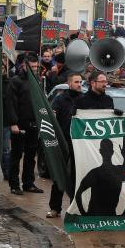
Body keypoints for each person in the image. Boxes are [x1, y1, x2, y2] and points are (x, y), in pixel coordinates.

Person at [48, 73, 84, 218]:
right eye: (76, 82)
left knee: (77, 176)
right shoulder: (60, 99)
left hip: (79, 144)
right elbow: (52, 116)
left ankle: (74, 207)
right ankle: (55, 208)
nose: (79, 84)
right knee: (59, 175)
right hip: (63, 142)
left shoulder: (83, 100)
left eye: (81, 82)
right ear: (69, 83)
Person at [5, 62, 43, 195]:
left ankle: (28, 183)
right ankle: (14, 185)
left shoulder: (37, 80)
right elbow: (10, 103)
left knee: (31, 155)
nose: (34, 69)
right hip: (20, 124)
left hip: (34, 123)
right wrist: (13, 122)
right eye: (31, 66)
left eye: (36, 67)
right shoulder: (15, 81)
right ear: (24, 66)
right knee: (16, 155)